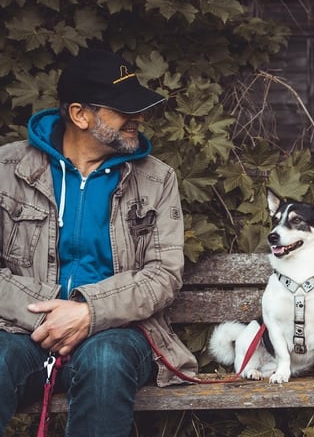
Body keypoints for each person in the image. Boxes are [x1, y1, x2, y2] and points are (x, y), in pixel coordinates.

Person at [0, 48, 196, 437]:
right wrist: (51, 317)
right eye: (123, 109)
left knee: (105, 360)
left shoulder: (157, 179)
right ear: (80, 114)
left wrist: (89, 312)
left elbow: (163, 274)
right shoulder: (7, 170)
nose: (137, 118)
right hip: (23, 330)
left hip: (119, 332)